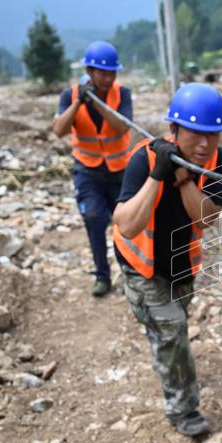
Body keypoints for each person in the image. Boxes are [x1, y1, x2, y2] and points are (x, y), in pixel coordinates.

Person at [112, 83, 222, 437]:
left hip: (182, 266)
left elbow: (207, 218)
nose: (204, 144)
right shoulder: (144, 158)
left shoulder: (216, 161)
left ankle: (169, 359)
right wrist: (157, 175)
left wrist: (182, 180)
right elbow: (127, 225)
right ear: (174, 130)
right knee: (173, 330)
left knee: (172, 330)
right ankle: (184, 411)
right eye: (195, 134)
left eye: (213, 135)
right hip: (142, 267)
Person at [52, 41, 132, 297]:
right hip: (88, 172)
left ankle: (131, 273)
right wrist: (78, 103)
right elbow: (59, 130)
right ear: (89, 71)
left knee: (126, 224)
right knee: (95, 219)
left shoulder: (123, 94)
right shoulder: (69, 95)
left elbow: (122, 126)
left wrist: (96, 102)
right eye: (103, 73)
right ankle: (102, 276)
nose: (109, 78)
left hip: (120, 172)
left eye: (113, 73)